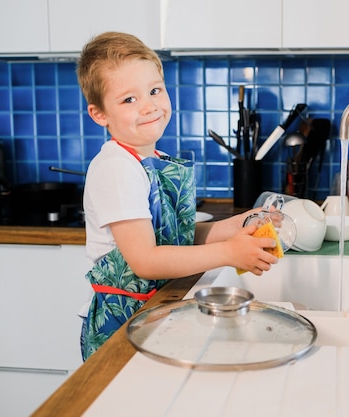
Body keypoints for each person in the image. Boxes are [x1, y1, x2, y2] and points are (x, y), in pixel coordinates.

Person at [76, 32, 278, 360]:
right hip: (122, 321)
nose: (149, 105)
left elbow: (176, 238)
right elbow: (146, 260)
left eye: (154, 90)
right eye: (129, 99)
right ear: (100, 114)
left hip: (154, 310)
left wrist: (238, 224)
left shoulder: (147, 159)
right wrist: (229, 252)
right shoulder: (117, 168)